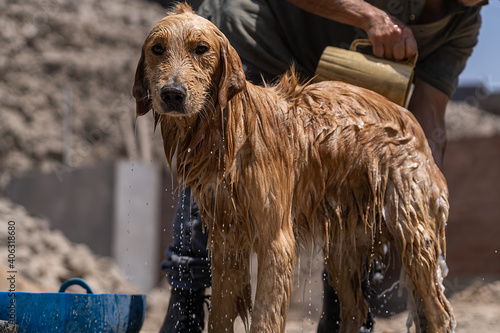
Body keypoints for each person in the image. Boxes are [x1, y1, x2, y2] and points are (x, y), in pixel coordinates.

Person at [159, 0, 486, 332]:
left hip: (335, 79)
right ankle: (185, 305)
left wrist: (422, 197)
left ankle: (344, 314)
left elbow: (429, 112)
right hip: (257, 41)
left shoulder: (466, 23)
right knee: (219, 182)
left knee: (348, 204)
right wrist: (368, 15)